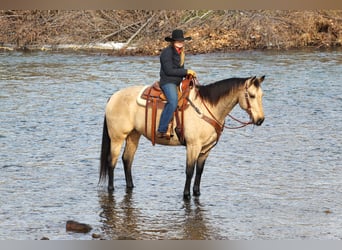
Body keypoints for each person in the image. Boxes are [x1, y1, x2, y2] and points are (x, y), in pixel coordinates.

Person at [157, 29, 197, 139]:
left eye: (182, 41)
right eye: (178, 41)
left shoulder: (181, 52)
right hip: (168, 82)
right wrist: (186, 72)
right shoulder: (167, 53)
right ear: (173, 41)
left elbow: (178, 69)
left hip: (178, 81)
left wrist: (188, 76)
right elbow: (169, 70)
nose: (180, 42)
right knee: (173, 101)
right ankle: (162, 129)